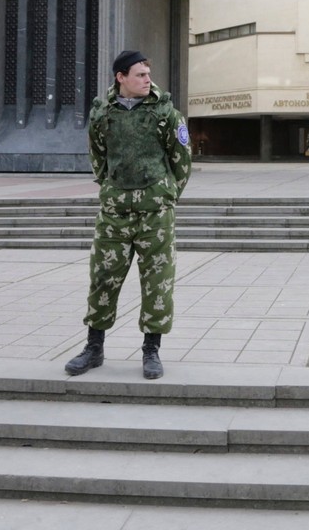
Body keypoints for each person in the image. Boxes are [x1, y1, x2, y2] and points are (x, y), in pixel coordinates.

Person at [65, 50, 192, 380]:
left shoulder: (166, 113)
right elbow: (98, 158)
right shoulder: (103, 114)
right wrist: (112, 190)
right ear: (120, 77)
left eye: (148, 73)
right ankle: (94, 348)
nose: (147, 79)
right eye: (139, 74)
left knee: (157, 282)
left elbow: (182, 162)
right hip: (115, 212)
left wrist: (165, 197)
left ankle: (151, 350)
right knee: (103, 277)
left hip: (155, 214)